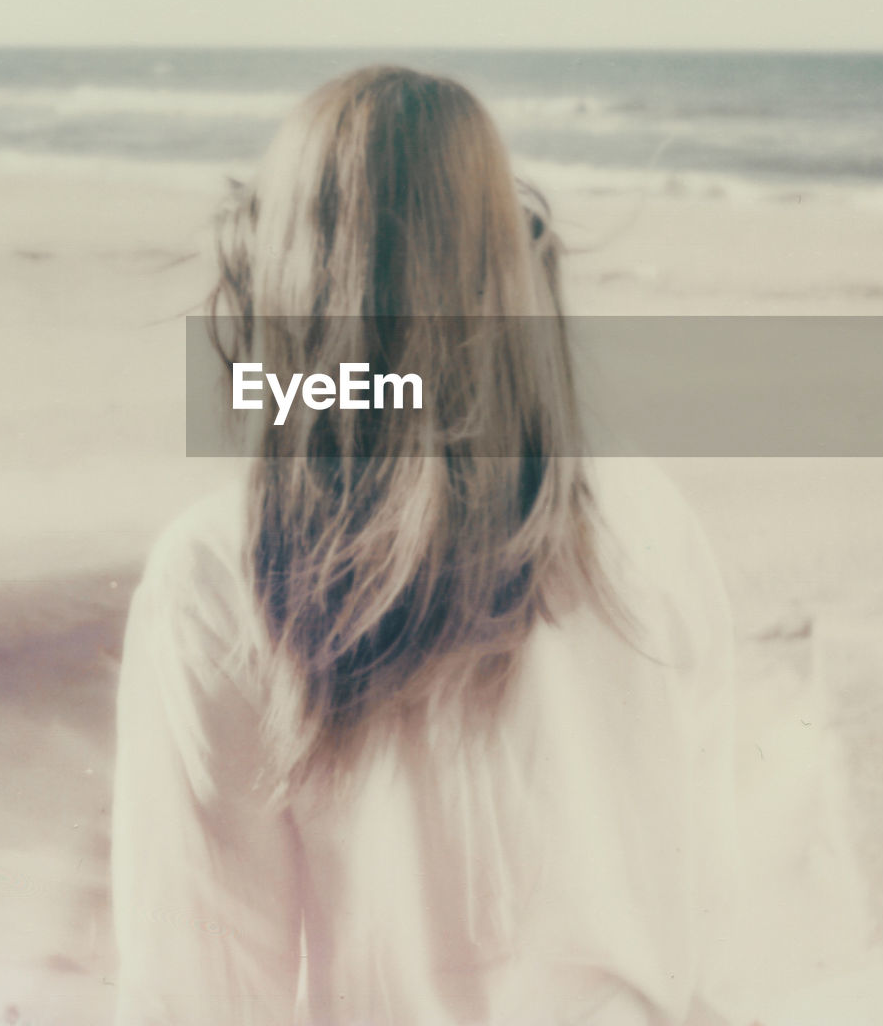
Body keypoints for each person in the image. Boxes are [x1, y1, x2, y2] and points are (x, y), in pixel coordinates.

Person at [110, 67, 749, 1025]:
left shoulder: (221, 569)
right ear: (511, 266)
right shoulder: (645, 519)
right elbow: (702, 900)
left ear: (282, 278)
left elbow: (199, 985)